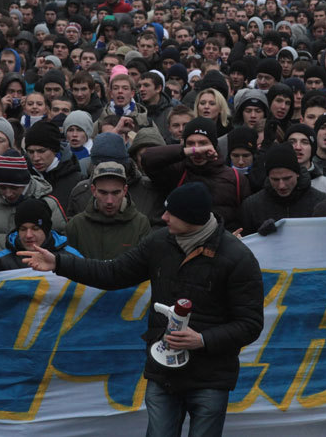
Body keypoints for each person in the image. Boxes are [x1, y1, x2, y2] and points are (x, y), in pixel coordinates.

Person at [19, 182, 263, 437]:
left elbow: (250, 324)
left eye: (171, 213)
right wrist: (59, 263)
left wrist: (201, 340)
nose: (163, 217)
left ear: (192, 218)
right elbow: (112, 273)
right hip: (163, 372)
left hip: (211, 378)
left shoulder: (238, 258)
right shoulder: (159, 242)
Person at [140, 117, 249, 230]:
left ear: (214, 144)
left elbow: (244, 218)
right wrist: (189, 151)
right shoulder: (177, 171)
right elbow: (147, 158)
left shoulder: (235, 178)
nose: (197, 150)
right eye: (191, 143)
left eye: (203, 143)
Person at [0, 149, 67, 249]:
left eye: (14, 188)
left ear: (25, 184)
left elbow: (62, 240)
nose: (8, 194)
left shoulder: (48, 204)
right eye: (3, 187)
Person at [65, 161, 151, 260]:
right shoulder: (75, 226)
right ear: (93, 190)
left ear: (125, 191)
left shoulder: (140, 224)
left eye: (115, 193)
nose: (109, 201)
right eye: (103, 193)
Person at [240, 143, 326, 235]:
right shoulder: (252, 207)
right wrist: (259, 237)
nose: (281, 186)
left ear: (297, 173)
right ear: (268, 177)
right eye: (275, 179)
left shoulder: (321, 204)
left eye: (287, 178)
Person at [0, 198, 81, 270]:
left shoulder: (71, 257)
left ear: (46, 230)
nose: (28, 235)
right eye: (23, 229)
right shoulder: (2, 260)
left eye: (35, 229)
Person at [25, 120, 84, 210]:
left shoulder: (76, 180)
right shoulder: (23, 176)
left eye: (41, 151)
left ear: (54, 150)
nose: (35, 157)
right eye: (31, 152)